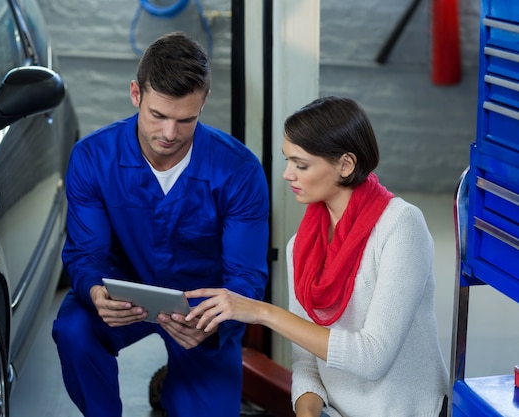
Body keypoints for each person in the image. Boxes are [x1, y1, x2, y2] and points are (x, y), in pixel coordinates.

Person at [186, 96, 450, 417]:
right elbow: (307, 361)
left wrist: (264, 313)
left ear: (346, 165)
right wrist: (307, 411)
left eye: (301, 164)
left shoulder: (401, 225)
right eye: (287, 161)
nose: (287, 174)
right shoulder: (302, 245)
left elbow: (372, 357)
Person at [51, 31, 270, 417]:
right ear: (136, 94)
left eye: (186, 119)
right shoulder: (93, 159)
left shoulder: (239, 171)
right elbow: (86, 255)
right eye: (158, 115)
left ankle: (177, 386)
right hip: (124, 293)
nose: (170, 134)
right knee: (74, 330)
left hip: (201, 311)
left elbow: (246, 276)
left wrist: (214, 325)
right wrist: (96, 292)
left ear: (203, 103)